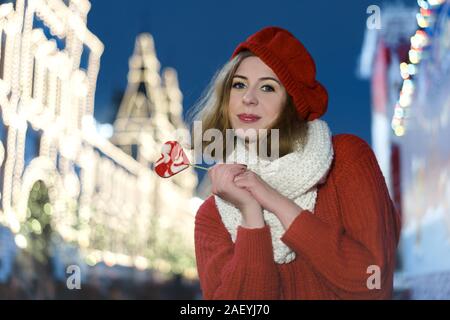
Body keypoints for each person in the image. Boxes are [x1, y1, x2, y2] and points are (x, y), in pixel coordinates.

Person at [191, 26, 401, 300]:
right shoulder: (213, 214)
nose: (248, 98)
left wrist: (274, 200)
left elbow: (374, 286)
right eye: (238, 84)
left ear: (292, 102)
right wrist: (251, 215)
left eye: (267, 87)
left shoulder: (347, 160)